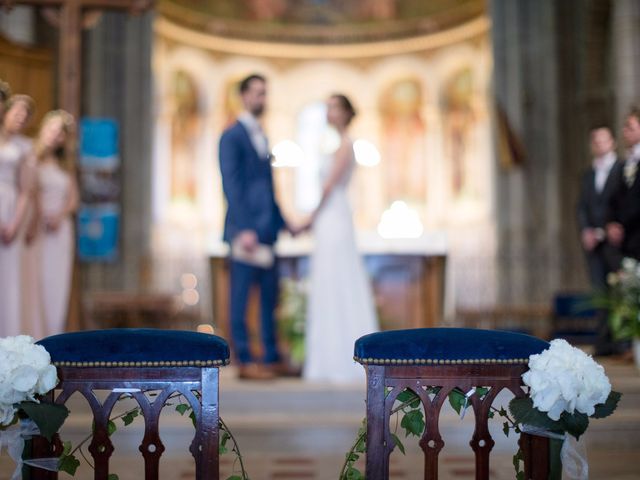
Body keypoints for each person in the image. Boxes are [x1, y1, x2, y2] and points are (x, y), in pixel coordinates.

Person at [219, 74, 293, 380]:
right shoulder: (232, 135)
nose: (262, 99)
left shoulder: (261, 134)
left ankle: (271, 357)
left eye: (265, 93)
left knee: (268, 297)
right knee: (241, 297)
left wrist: (286, 223)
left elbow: (267, 187)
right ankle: (246, 359)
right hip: (247, 231)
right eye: (257, 93)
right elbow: (231, 185)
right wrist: (244, 227)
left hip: (267, 230)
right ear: (244, 96)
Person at [303, 94, 378, 383]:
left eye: (334, 106)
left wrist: (308, 218)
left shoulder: (346, 145)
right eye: (327, 106)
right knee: (327, 283)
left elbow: (329, 185)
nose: (328, 111)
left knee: (337, 281)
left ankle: (340, 361)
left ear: (346, 112)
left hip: (334, 218)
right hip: (329, 219)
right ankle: (326, 360)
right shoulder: (337, 144)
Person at [32, 110, 78, 336]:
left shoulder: (65, 165)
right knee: (35, 283)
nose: (56, 136)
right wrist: (40, 213)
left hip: (60, 231)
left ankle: (53, 335)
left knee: (56, 288)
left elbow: (73, 199)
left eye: (61, 133)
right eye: (53, 130)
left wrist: (60, 215)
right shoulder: (31, 156)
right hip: (35, 226)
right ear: (44, 128)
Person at [0, 94, 36, 338]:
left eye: (26, 116)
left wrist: (15, 223)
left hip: (11, 207)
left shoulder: (23, 147)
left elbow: (26, 190)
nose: (20, 118)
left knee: (9, 278)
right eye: (17, 112)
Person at [577, 126, 623, 289]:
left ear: (613, 143)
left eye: (603, 140)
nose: (599, 144)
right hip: (593, 244)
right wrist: (586, 230)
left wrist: (610, 227)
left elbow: (624, 203)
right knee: (598, 291)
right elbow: (582, 206)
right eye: (595, 141)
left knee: (619, 291)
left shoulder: (622, 169)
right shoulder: (588, 175)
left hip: (616, 241)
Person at [607, 106, 640, 263]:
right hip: (627, 242)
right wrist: (612, 223)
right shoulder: (625, 164)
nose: (624, 131)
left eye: (630, 127)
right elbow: (616, 197)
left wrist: (621, 223)